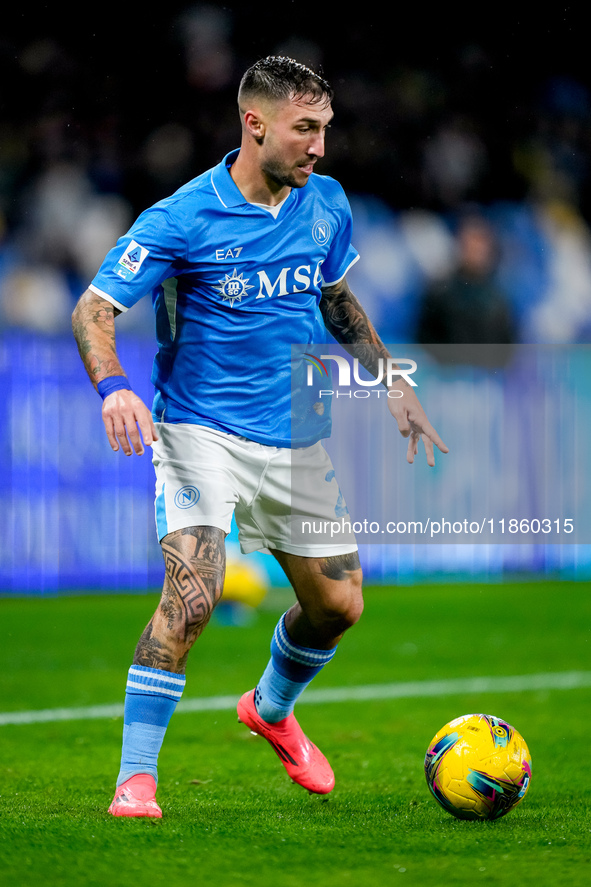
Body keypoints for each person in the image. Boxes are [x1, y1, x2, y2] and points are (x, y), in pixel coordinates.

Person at [72, 56, 448, 818]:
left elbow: (337, 301)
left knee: (339, 605)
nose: (318, 148)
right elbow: (93, 310)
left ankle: (270, 708)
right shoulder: (182, 216)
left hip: (291, 437)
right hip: (197, 434)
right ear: (254, 123)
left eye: (324, 130)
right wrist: (113, 389)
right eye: (305, 129)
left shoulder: (326, 204)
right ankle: (135, 779)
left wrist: (391, 383)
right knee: (194, 593)